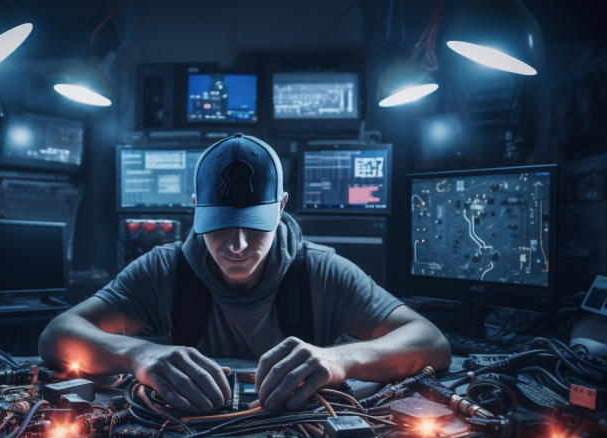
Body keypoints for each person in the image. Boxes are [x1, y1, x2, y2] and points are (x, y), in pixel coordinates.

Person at [40, 134, 450, 414]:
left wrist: (339, 360)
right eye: (220, 223)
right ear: (197, 205)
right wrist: (137, 354)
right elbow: (56, 335)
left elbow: (431, 342)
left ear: (282, 206)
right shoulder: (162, 269)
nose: (236, 244)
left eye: (254, 224)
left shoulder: (321, 271)